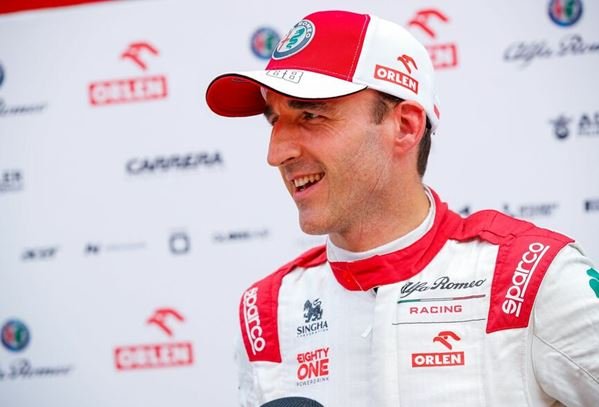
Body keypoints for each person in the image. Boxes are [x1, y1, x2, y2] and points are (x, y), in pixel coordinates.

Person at [205, 10, 599, 407]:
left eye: (310, 115)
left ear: (406, 126)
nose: (276, 153)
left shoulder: (530, 276)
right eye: (274, 120)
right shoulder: (268, 310)